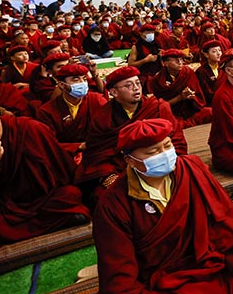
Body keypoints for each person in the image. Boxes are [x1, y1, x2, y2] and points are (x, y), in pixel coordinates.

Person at [92, 119, 233, 294]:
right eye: (153, 151)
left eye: (167, 146)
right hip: (159, 283)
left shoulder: (191, 168)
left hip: (204, 263)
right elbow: (119, 275)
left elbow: (225, 217)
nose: (164, 155)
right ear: (130, 161)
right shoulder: (113, 205)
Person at [0, 98, 89, 255]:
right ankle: (56, 221)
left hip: (43, 200)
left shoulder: (29, 128)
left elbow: (63, 172)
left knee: (70, 195)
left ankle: (23, 229)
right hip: (4, 208)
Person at [78, 67, 187, 206]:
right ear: (114, 92)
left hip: (158, 163)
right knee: (105, 197)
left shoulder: (158, 108)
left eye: (137, 83)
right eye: (128, 85)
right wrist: (109, 176)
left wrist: (170, 164)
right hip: (123, 169)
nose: (136, 88)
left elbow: (177, 140)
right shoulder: (103, 118)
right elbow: (96, 154)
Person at [148, 48, 211, 125]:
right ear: (165, 63)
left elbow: (199, 97)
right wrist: (180, 97)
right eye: (175, 60)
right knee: (166, 123)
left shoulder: (188, 72)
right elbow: (161, 106)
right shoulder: (157, 80)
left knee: (209, 112)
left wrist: (192, 96)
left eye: (181, 59)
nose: (180, 62)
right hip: (173, 113)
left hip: (190, 110)